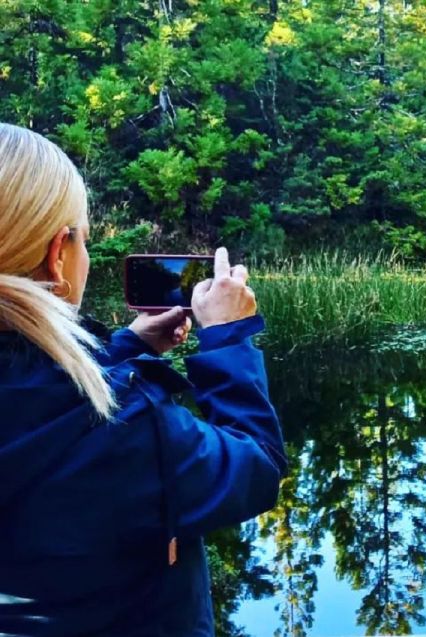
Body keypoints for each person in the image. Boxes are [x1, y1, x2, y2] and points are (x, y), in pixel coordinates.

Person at [0, 123, 287, 636]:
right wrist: (227, 338)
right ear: (57, 255)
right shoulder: (127, 429)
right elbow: (257, 466)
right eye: (83, 239)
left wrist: (128, 348)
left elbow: (33, 403)